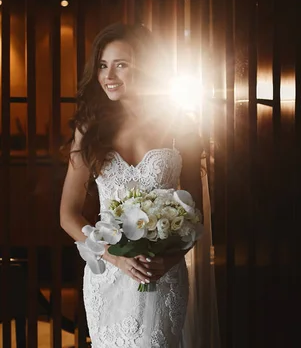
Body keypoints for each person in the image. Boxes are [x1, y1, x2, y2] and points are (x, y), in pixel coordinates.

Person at [59, 22, 204, 347]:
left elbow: (195, 215)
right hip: (109, 274)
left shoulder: (179, 124)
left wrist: (167, 260)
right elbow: (67, 214)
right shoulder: (90, 128)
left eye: (120, 65)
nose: (109, 76)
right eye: (102, 65)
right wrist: (114, 256)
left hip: (162, 274)